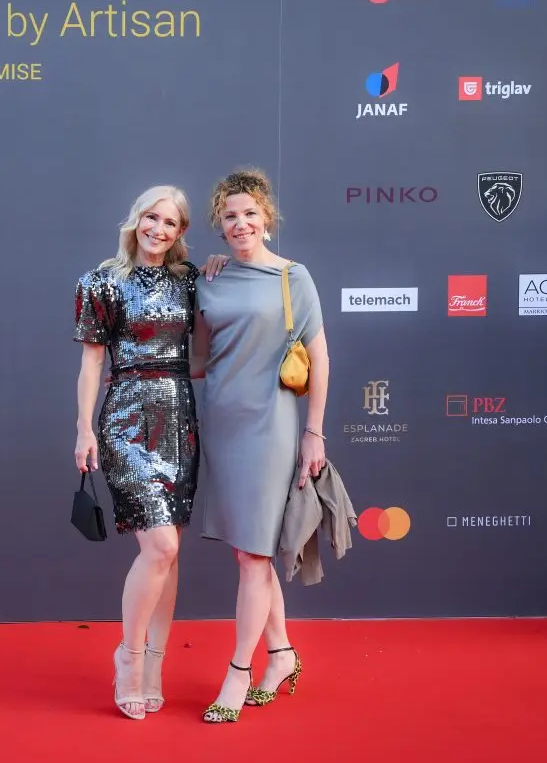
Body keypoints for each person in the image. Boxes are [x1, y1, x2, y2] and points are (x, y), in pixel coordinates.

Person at [191, 168, 330, 723]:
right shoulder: (210, 279)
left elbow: (320, 359)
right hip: (222, 427)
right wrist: (135, 370)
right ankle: (282, 654)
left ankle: (238, 672)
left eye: (250, 213)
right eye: (230, 216)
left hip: (271, 428)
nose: (241, 223)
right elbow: (200, 361)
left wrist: (314, 431)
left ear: (267, 217)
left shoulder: (294, 278)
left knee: (254, 554)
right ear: (219, 224)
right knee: (246, 552)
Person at [73, 185, 202, 721]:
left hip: (178, 419)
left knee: (170, 554)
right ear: (136, 219)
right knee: (160, 546)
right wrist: (84, 429)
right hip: (126, 418)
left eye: (170, 223)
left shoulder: (191, 280)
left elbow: (208, 347)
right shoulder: (101, 281)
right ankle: (128, 656)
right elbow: (91, 363)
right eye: (152, 217)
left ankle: (154, 666)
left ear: (180, 233)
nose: (158, 229)